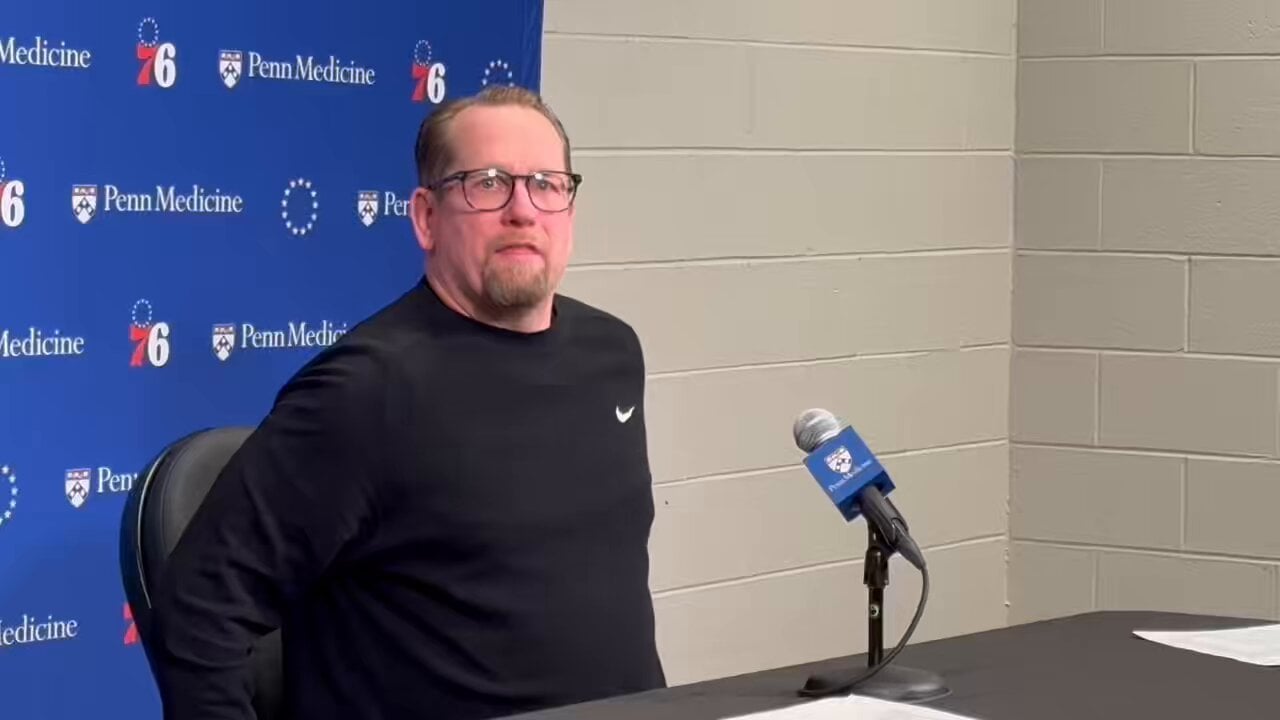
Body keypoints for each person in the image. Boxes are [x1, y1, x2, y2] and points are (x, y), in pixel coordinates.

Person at [148, 85, 667, 720]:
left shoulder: (612, 352)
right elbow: (198, 613)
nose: (523, 210)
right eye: (488, 184)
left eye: (546, 184)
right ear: (426, 218)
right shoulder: (365, 390)